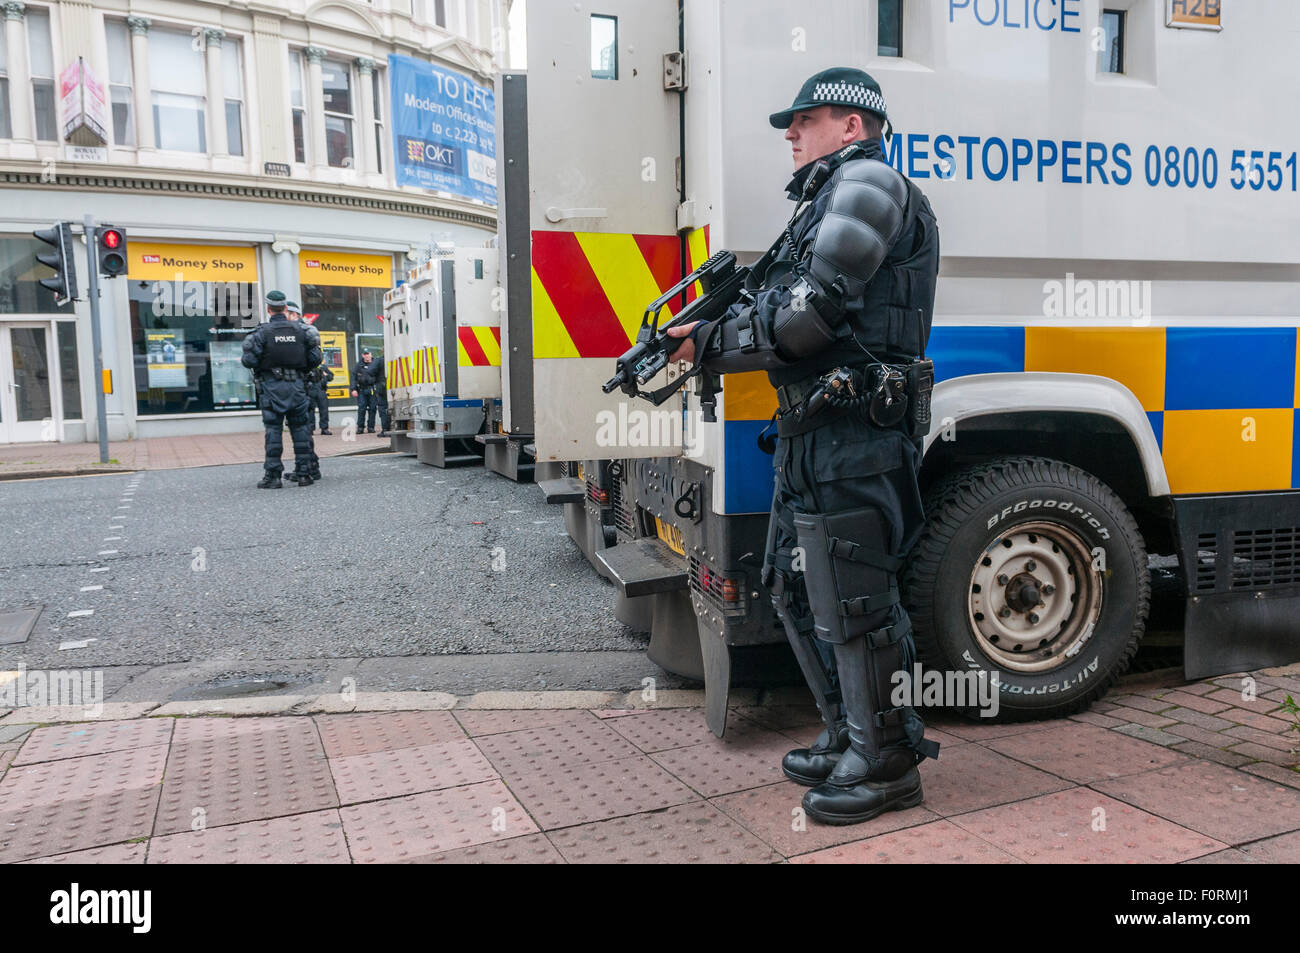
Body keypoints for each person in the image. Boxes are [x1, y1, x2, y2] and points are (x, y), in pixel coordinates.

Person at [666, 68, 941, 825]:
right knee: (797, 589)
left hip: (857, 433)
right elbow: (775, 305)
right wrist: (706, 334)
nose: (790, 132)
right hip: (815, 429)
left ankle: (886, 762)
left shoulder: (871, 185)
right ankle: (850, 733)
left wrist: (713, 340)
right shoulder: (821, 204)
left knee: (856, 599)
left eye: (806, 118)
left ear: (854, 125)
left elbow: (806, 318)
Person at [241, 290, 322, 488]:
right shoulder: (303, 331)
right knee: (301, 430)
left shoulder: (260, 333)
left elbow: (248, 360)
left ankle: (273, 476)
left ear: (269, 309)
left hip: (271, 388)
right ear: (286, 308)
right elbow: (315, 359)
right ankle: (304, 474)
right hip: (297, 386)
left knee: (273, 431)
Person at [285, 301, 333, 435]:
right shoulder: (303, 331)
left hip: (310, 386)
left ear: (294, 314)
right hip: (300, 385)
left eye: (285, 314)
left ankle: (323, 428)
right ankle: (310, 430)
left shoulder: (304, 332)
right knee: (305, 416)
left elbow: (317, 359)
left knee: (316, 411)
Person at [351, 348, 390, 436]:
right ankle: (360, 427)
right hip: (362, 389)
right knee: (362, 408)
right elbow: (353, 378)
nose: (366, 356)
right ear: (362, 355)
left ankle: (371, 427)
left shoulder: (376, 362)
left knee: (373, 408)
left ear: (371, 354)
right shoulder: (359, 365)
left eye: (368, 354)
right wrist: (353, 389)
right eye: (365, 354)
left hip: (372, 388)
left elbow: (372, 373)